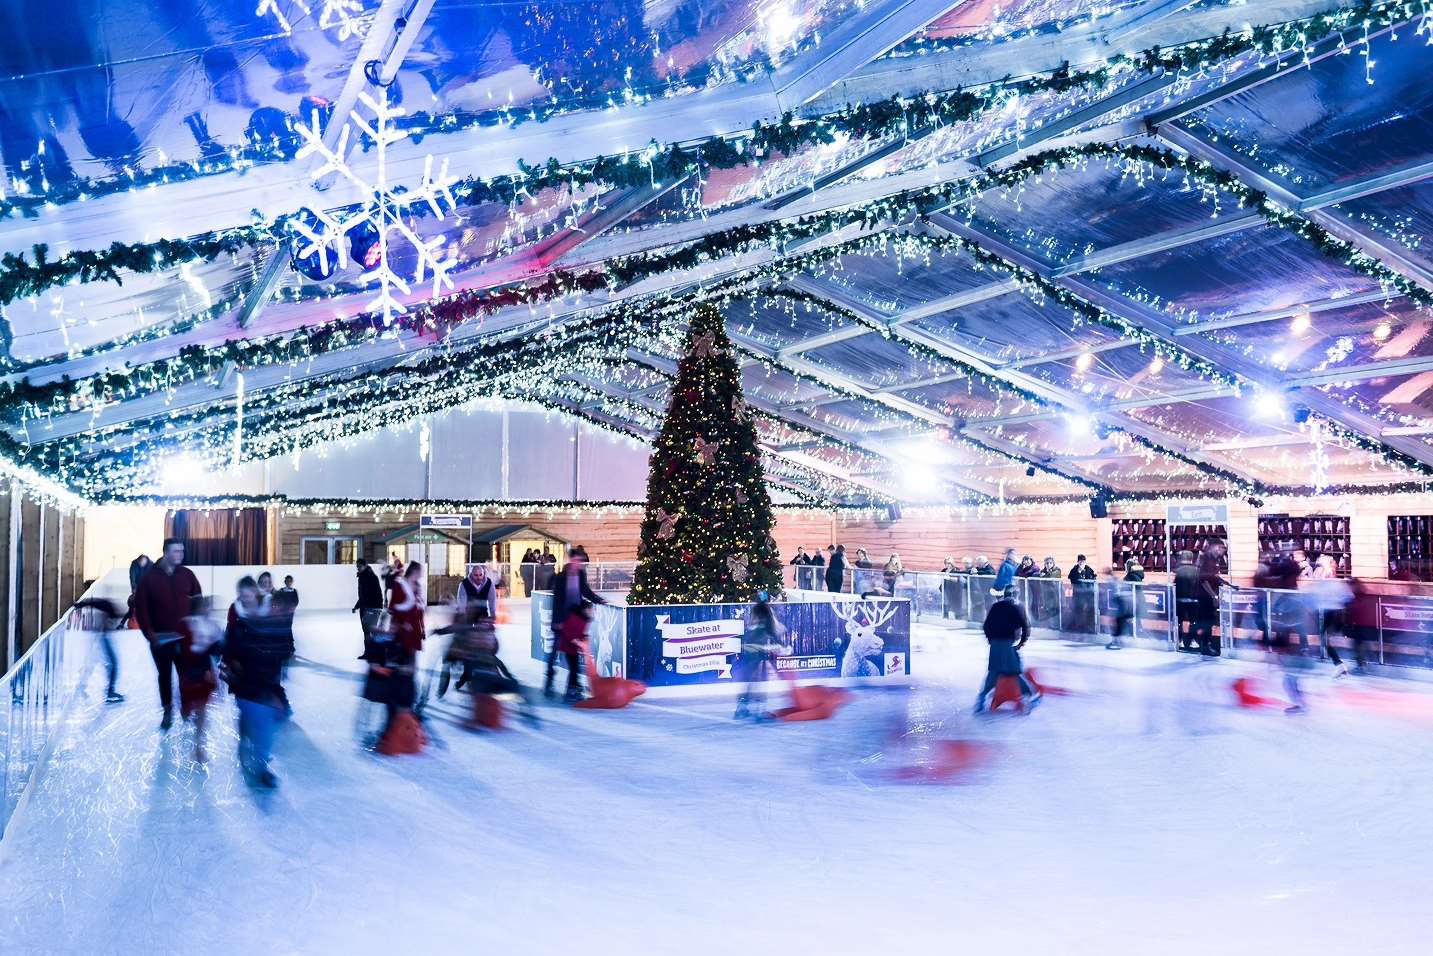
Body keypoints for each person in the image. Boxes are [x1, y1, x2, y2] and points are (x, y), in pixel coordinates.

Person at [221, 576, 294, 787]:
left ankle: (262, 766)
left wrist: (286, 652)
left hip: (267, 675)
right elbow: (229, 640)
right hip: (244, 676)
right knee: (249, 713)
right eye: (242, 597)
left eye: (249, 595)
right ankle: (245, 740)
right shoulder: (237, 616)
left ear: (256, 593)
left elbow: (283, 635)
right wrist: (227, 662)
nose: (246, 600)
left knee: (267, 722)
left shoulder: (270, 611)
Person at [133, 538, 203, 730]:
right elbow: (142, 609)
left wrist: (196, 627)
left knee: (186, 674)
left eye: (181, 551)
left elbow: (198, 600)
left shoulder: (187, 575)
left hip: (184, 637)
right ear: (165, 553)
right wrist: (149, 634)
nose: (179, 554)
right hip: (160, 638)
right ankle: (167, 709)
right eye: (175, 551)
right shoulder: (149, 578)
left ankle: (186, 706)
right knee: (164, 675)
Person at [547, 552, 605, 701]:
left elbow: (585, 590)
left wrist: (597, 599)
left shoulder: (580, 575)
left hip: (574, 618)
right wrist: (557, 621)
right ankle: (549, 681)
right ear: (571, 560)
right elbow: (557, 601)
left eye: (581, 562)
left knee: (572, 654)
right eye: (578, 561)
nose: (580, 564)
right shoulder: (561, 578)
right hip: (561, 619)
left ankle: (573, 685)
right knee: (555, 652)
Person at [974, 585, 1040, 714]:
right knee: (1012, 671)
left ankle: (982, 697)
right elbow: (1025, 625)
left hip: (995, 644)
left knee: (994, 672)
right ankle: (1030, 695)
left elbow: (986, 625)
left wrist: (990, 639)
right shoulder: (1014, 608)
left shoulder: (996, 607)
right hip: (1006, 643)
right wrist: (1022, 642)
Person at [438, 564, 499, 697]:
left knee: (483, 646)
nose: (478, 578)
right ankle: (465, 674)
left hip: (482, 615)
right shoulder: (464, 584)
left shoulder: (488, 584)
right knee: (467, 645)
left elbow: (492, 600)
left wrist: (492, 616)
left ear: (484, 574)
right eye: (475, 575)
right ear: (471, 575)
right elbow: (462, 606)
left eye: (480, 575)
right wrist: (463, 624)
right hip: (467, 615)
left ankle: (480, 673)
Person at [176, 595, 222, 763]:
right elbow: (182, 651)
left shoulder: (211, 626)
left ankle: (198, 747)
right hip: (190, 672)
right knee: (188, 709)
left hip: (203, 672)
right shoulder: (185, 624)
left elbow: (216, 650)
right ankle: (187, 714)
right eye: (204, 606)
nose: (207, 609)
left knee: (202, 711)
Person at [733, 592, 791, 721]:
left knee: (749, 679)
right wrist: (783, 645)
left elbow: (752, 629)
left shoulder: (754, 610)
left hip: (748, 648)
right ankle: (759, 711)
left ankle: (741, 708)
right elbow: (771, 631)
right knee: (760, 678)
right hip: (757, 649)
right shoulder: (766, 610)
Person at [1307, 555, 1352, 677]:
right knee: (1325, 638)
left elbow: (1313, 597)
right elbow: (1347, 597)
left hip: (1329, 612)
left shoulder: (1327, 581)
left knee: (1325, 638)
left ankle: (1339, 664)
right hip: (1331, 612)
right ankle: (1339, 664)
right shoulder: (1329, 581)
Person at [388, 561, 427, 659]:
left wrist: (422, 628)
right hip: (402, 627)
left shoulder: (418, 587)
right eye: (420, 572)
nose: (421, 574)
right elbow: (392, 607)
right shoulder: (399, 584)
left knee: (412, 656)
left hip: (415, 627)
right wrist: (401, 623)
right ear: (414, 571)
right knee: (402, 656)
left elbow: (420, 610)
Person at [1194, 545, 1227, 657]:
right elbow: (1204, 580)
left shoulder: (1212, 561)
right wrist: (1214, 596)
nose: (1224, 553)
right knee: (1208, 621)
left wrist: (1226, 583)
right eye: (1223, 550)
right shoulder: (1208, 560)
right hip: (1205, 598)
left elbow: (1213, 577)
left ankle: (1206, 643)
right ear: (1218, 549)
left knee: (1209, 621)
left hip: (1207, 597)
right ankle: (1205, 645)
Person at [353, 558, 384, 650]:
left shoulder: (371, 577)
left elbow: (377, 593)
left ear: (365, 566)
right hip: (365, 607)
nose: (358, 568)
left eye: (360, 566)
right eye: (357, 567)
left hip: (372, 607)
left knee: (371, 630)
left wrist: (378, 607)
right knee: (366, 631)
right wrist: (357, 606)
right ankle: (368, 652)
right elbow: (362, 595)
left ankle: (378, 651)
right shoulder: (361, 577)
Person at [1173, 550, 1199, 652]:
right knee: (1193, 622)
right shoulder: (1196, 570)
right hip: (1193, 600)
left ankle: (1180, 641)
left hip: (1180, 600)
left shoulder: (1178, 570)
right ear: (1191, 558)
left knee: (1179, 622)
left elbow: (1176, 585)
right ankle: (1193, 641)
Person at [1068, 554, 1097, 633]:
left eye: (1083, 561)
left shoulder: (1089, 569)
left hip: (1088, 594)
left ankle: (1089, 626)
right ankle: (1078, 626)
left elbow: (1093, 578)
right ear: (1077, 562)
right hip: (1078, 594)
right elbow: (1072, 579)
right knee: (1078, 610)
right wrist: (1078, 573)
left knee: (1090, 610)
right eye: (1080, 561)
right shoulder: (1074, 569)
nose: (1081, 563)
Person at [121, 553, 151, 626]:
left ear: (146, 561)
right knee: (132, 610)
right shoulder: (134, 564)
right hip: (137, 586)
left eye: (142, 563)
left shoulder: (151, 565)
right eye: (140, 563)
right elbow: (132, 577)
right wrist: (134, 588)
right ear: (138, 561)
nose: (141, 565)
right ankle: (122, 623)